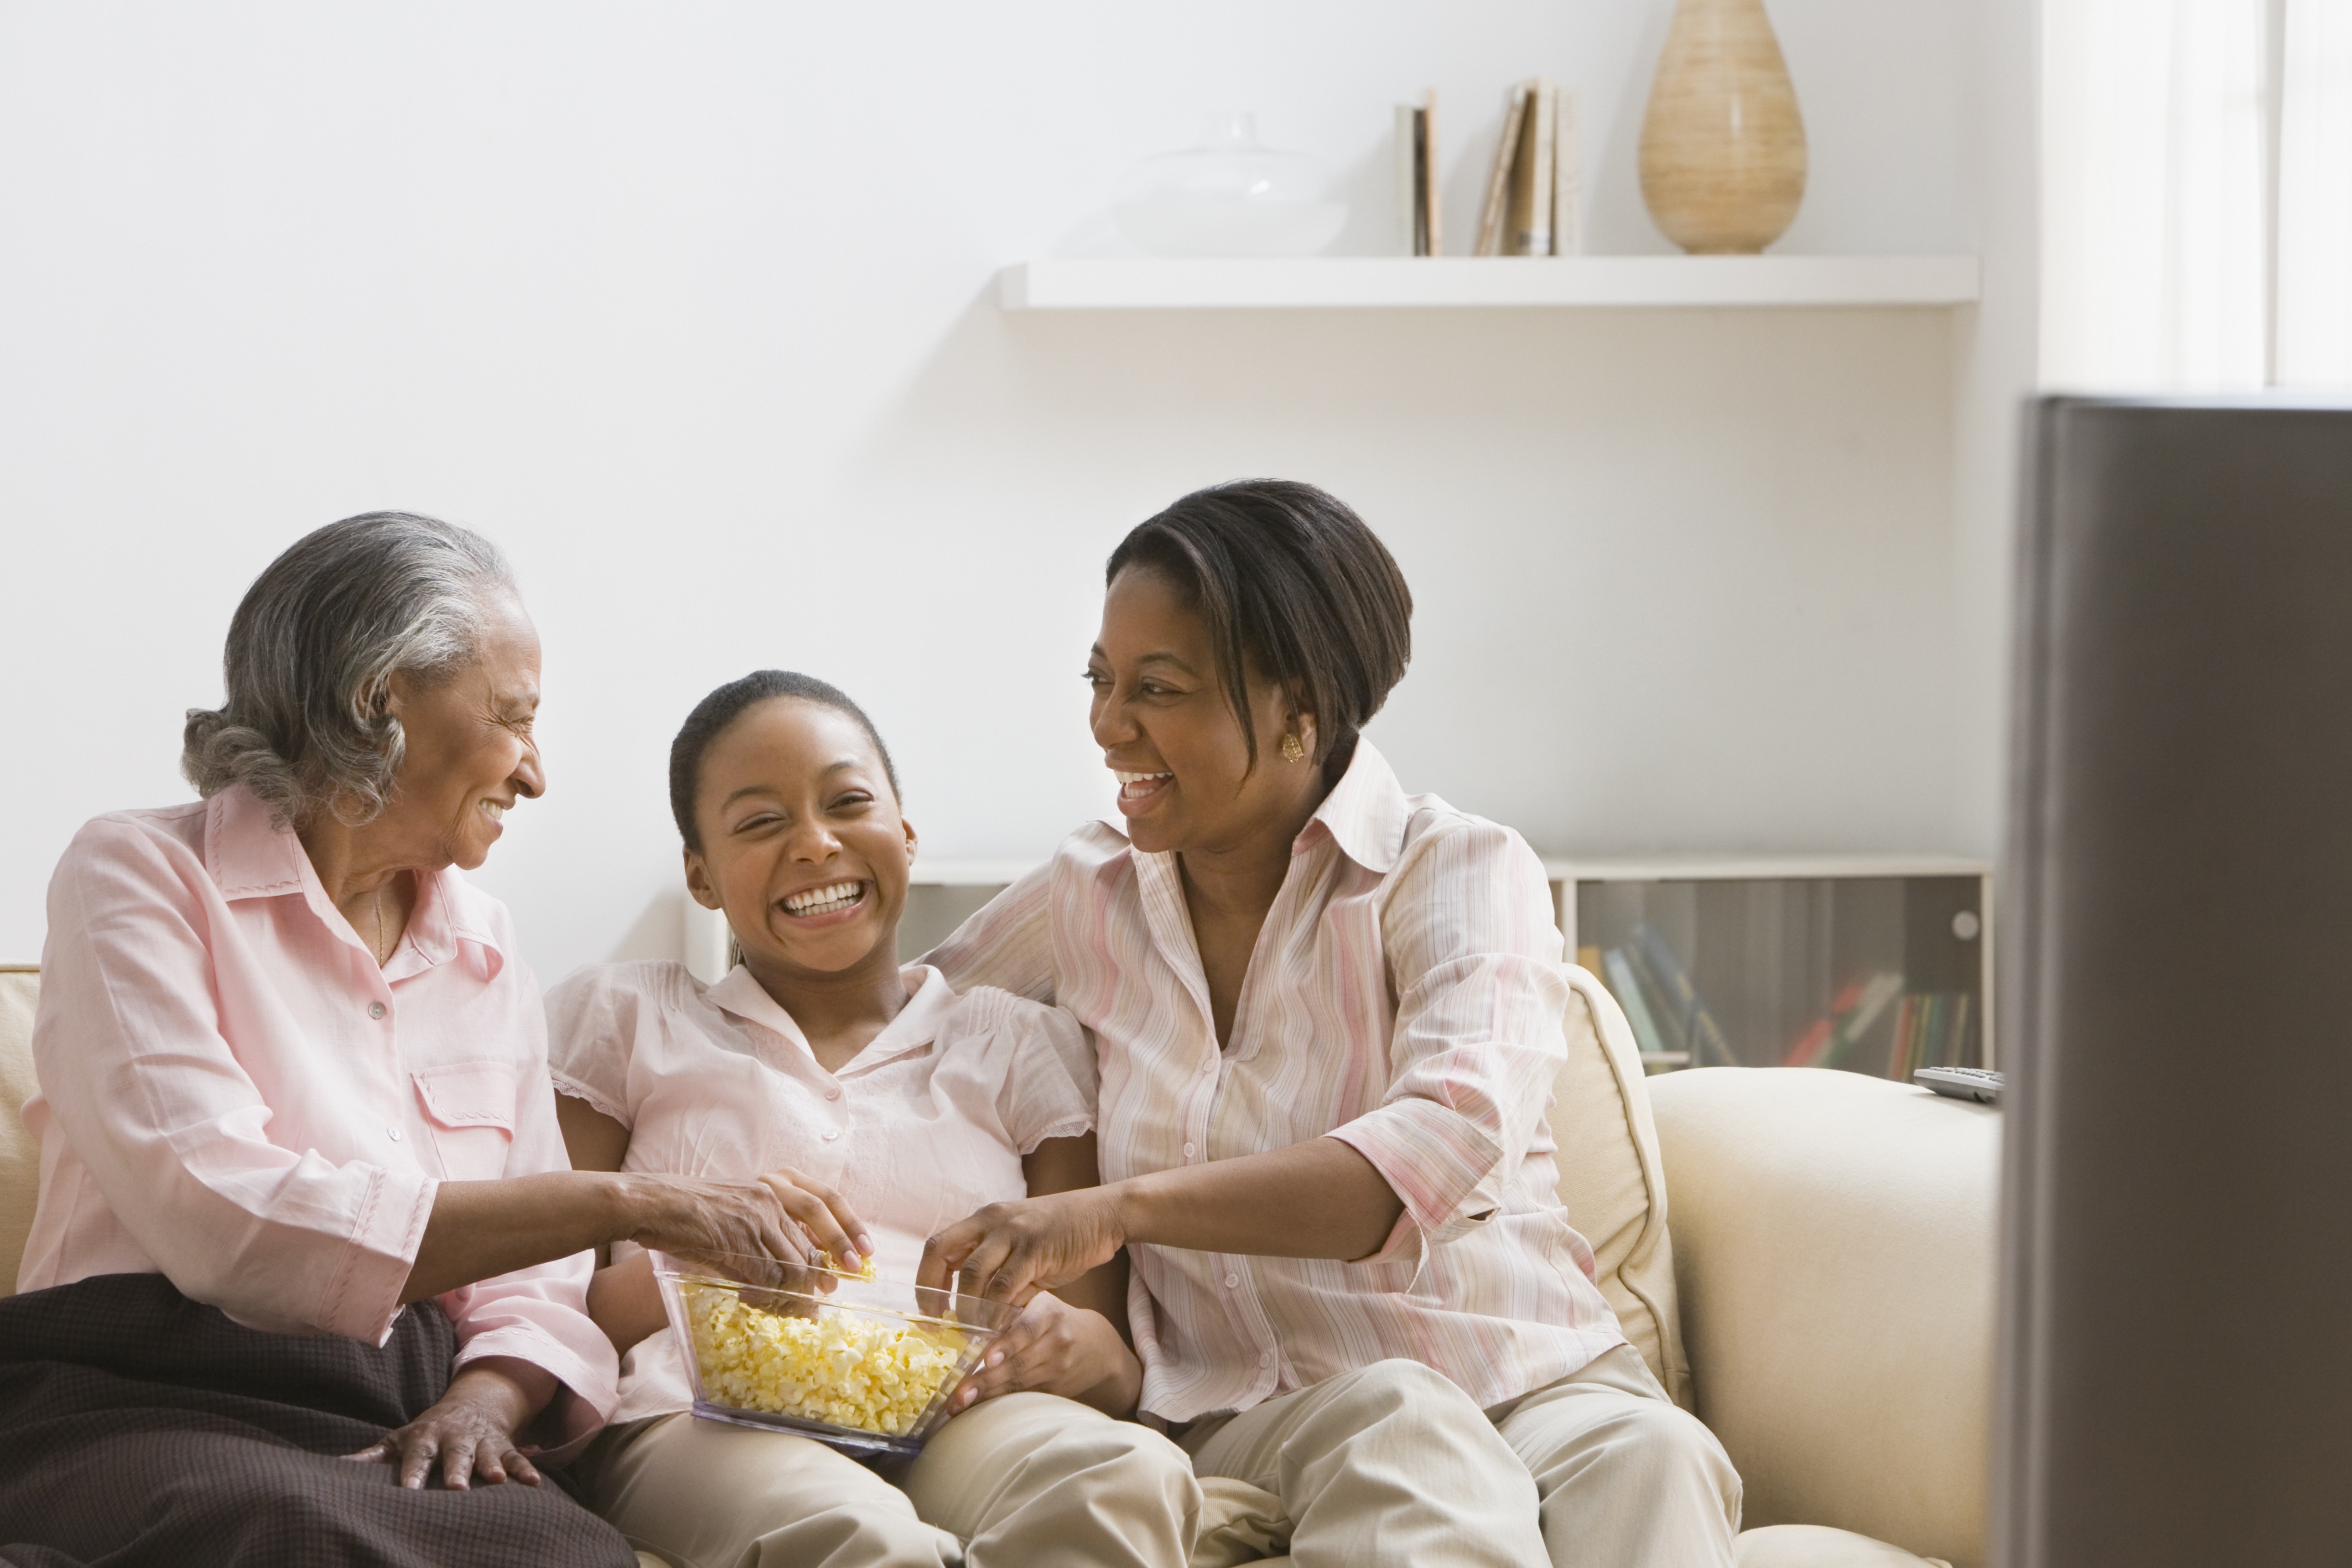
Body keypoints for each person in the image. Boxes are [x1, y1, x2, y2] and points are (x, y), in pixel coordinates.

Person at [919, 480, 1744, 1568]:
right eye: (1100, 680)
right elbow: (895, 1035)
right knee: (1401, 1420)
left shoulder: (1453, 871)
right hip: (1253, 1408)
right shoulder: (1086, 894)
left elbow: (1433, 1151)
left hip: (1528, 1378)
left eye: (1156, 689)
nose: (1107, 726)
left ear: (1299, 706)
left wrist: (1110, 1211)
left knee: (1658, 1456)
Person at [2, 514, 840, 1568]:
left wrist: (485, 1403)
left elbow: (533, 1287)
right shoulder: (138, 875)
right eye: (514, 718)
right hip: (137, 1391)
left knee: (569, 1558)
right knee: (296, 1533)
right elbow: (220, 1222)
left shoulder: (483, 947)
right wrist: (632, 1202)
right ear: (379, 699)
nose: (534, 774)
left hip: (399, 1408)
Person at [545, 670, 1202, 1568]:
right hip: (697, 1419)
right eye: (760, 822)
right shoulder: (627, 1023)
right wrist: (683, 1254)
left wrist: (1072, 1349)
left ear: (904, 830)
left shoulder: (1015, 1045)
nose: (814, 845)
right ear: (700, 875)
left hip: (969, 1416)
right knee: (857, 1535)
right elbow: (535, 1309)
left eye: (847, 803)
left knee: (1121, 1471)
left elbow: (1111, 1361)